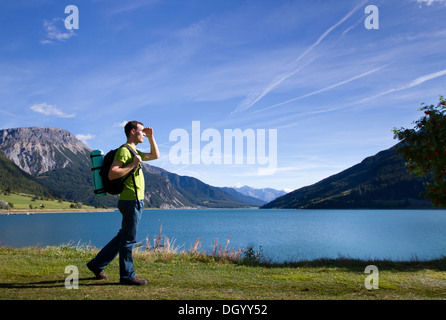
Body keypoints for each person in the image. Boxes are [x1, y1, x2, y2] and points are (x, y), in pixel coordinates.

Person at [87, 121, 160, 285]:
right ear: (133, 131)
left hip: (135, 201)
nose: (143, 133)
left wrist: (151, 137)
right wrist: (134, 164)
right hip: (130, 201)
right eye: (141, 131)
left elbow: (155, 155)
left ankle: (96, 264)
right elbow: (113, 174)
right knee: (128, 240)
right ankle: (127, 276)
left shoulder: (134, 151)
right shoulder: (124, 151)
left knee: (123, 237)